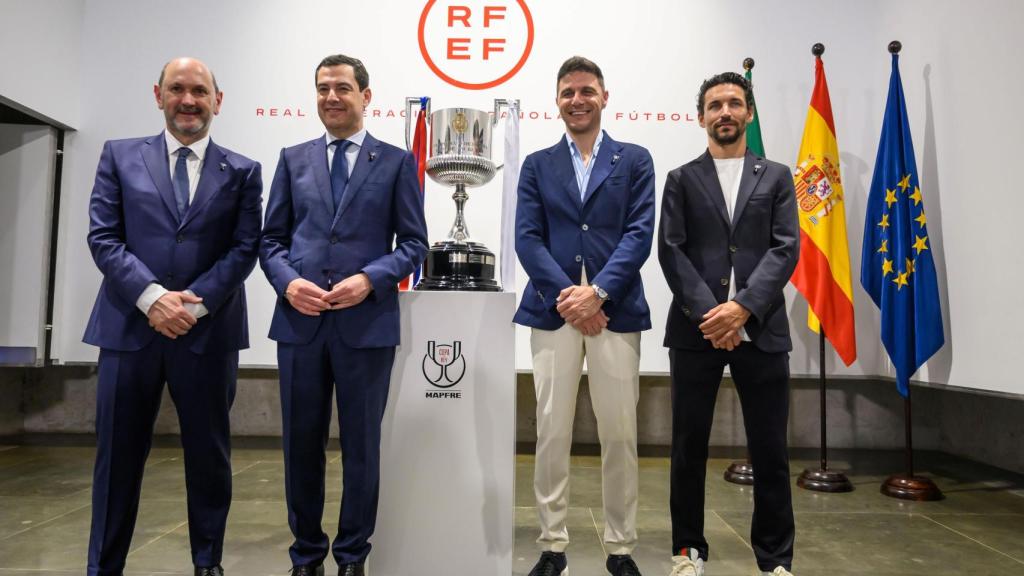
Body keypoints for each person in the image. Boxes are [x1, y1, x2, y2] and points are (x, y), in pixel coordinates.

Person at [84, 57, 262, 576]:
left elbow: (244, 247)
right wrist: (152, 297)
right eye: (178, 89)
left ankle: (208, 564)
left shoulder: (244, 170)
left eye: (200, 91)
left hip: (207, 333)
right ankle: (104, 566)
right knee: (116, 460)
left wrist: (194, 303)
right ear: (158, 95)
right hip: (127, 328)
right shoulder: (120, 156)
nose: (189, 100)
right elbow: (104, 237)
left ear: (217, 101)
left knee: (210, 459)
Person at [258, 54, 428, 576]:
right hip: (301, 326)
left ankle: (354, 555)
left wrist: (371, 278)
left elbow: (415, 243)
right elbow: (270, 241)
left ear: (365, 96)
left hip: (365, 327)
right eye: (323, 88)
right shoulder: (292, 158)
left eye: (343, 88)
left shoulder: (396, 162)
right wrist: (289, 284)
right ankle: (306, 555)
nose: (332, 97)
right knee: (301, 448)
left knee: (362, 450)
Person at [514, 55, 656, 576]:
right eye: (568, 92)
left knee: (620, 432)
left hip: (615, 312)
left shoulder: (635, 160)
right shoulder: (536, 165)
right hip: (553, 315)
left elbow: (639, 235)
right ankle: (552, 545)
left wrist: (596, 293)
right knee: (551, 431)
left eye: (587, 91)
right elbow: (527, 239)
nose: (578, 99)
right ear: (557, 100)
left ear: (604, 97)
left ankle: (620, 548)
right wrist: (570, 298)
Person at [657, 71, 799, 576]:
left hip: (761, 331)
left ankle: (775, 559)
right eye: (714, 105)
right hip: (696, 331)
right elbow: (670, 252)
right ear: (700, 117)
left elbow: (786, 250)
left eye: (734, 103)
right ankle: (688, 552)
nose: (724, 112)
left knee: (770, 449)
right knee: (687, 447)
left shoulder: (777, 176)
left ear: (749, 113)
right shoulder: (681, 178)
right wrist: (714, 315)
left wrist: (743, 308)